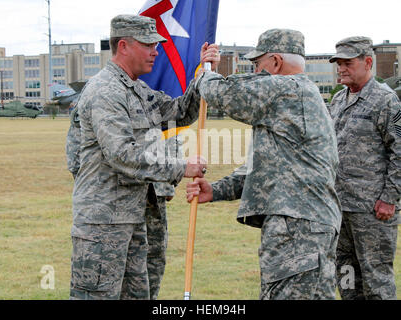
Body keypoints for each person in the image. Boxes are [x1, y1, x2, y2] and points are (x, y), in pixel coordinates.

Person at [69, 14, 217, 300]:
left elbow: (179, 112)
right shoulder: (106, 91)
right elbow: (122, 153)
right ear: (123, 46)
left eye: (156, 44)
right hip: (104, 224)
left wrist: (203, 72)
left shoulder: (137, 89)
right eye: (148, 44)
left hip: (134, 218)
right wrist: (181, 167)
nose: (156, 51)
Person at [186, 28, 342, 300]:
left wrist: (205, 72)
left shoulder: (289, 89)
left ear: (276, 63)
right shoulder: (295, 98)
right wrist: (217, 190)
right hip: (303, 226)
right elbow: (267, 170)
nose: (255, 72)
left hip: (299, 229)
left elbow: (226, 94)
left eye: (257, 65)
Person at [66, 104, 183, 300]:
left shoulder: (150, 96)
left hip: (153, 197)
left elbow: (170, 132)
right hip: (114, 200)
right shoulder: (103, 94)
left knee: (150, 264)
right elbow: (77, 153)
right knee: (103, 274)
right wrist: (97, 190)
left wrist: (167, 184)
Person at [329, 36, 401, 300]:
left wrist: (389, 198)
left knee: (376, 280)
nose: (341, 68)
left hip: (373, 212)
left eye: (347, 62)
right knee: (346, 276)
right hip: (340, 209)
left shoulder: (387, 101)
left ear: (367, 62)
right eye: (339, 63)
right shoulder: (338, 101)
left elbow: (400, 151)